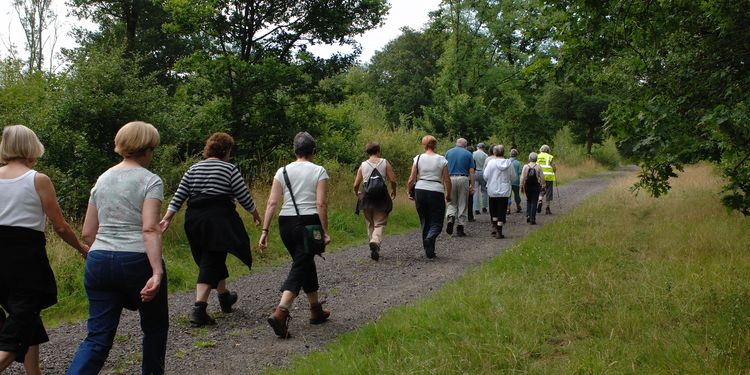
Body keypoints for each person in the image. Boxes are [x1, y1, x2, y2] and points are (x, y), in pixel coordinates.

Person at [67, 121, 168, 375]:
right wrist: (156, 272)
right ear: (146, 149)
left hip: (98, 258)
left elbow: (88, 231)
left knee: (97, 338)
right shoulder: (150, 181)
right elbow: (149, 228)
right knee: (154, 329)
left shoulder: (102, 179)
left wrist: (103, 256)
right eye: (152, 149)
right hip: (137, 261)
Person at [0, 125, 88, 375]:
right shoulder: (37, 179)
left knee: (26, 317)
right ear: (32, 146)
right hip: (25, 260)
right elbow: (59, 227)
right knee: (19, 324)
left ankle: (33, 372)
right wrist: (81, 248)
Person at [160, 132, 262, 327]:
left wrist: (167, 218)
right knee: (211, 259)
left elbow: (179, 196)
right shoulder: (229, 169)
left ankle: (224, 297)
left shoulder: (193, 169)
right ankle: (199, 309)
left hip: (195, 220)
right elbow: (243, 195)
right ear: (226, 150)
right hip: (219, 219)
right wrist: (255, 214)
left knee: (211, 256)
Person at [259, 132, 331, 339]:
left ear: (295, 150)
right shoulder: (319, 170)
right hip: (309, 223)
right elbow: (320, 204)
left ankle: (316, 309)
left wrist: (265, 230)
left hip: (285, 223)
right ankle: (281, 311)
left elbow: (272, 203)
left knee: (304, 261)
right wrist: (324, 231)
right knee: (301, 263)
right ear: (313, 150)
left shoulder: (282, 171)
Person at [406, 135, 451, 258]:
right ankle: (430, 238)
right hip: (436, 191)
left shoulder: (418, 158)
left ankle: (429, 250)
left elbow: (412, 178)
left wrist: (409, 190)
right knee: (437, 221)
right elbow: (447, 180)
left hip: (420, 190)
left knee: (425, 221)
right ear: (435, 145)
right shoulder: (442, 159)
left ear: (424, 145)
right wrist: (448, 194)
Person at [352, 142, 397, 261]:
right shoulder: (384, 162)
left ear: (367, 152)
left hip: (366, 197)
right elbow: (392, 180)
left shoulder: (363, 165)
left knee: (370, 223)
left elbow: (356, 184)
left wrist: (357, 193)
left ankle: (373, 245)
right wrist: (393, 190)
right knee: (379, 223)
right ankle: (375, 241)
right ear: (378, 151)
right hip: (381, 197)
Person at [483, 145, 517, 239]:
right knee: (502, 210)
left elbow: (485, 176)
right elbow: (513, 177)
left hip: (492, 189)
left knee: (493, 209)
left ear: (494, 153)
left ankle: (494, 226)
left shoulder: (491, 163)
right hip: (504, 190)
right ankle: (499, 230)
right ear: (503, 152)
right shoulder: (509, 163)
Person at [444, 138, 475, 237]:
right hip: (463, 178)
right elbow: (471, 171)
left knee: (451, 201)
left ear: (456, 144)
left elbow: (444, 168)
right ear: (465, 145)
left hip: (450, 178)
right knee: (462, 203)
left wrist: (444, 182)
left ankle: (451, 217)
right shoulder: (468, 154)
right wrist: (472, 185)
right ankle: (460, 228)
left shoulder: (448, 153)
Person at [520, 152, 545, 225]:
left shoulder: (525, 166)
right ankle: (532, 218)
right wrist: (543, 185)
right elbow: (542, 177)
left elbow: (522, 177)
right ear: (536, 159)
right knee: (534, 201)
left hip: (527, 186)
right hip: (536, 186)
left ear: (529, 158)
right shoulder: (538, 166)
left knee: (529, 200)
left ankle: (528, 215)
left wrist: (521, 186)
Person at [537, 144, 557, 214]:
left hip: (540, 177)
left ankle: (540, 200)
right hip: (549, 177)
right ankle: (547, 208)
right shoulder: (550, 157)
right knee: (548, 192)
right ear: (548, 150)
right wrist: (554, 171)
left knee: (541, 190)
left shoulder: (537, 156)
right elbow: (553, 166)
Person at [472, 143, 489, 215]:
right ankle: (484, 207)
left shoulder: (473, 154)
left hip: (475, 172)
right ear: (483, 148)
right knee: (484, 190)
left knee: (475, 191)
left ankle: (476, 209)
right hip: (483, 172)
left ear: (477, 147)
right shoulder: (485, 155)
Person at [507, 149, 523, 214]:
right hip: (516, 181)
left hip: (508, 181)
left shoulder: (506, 162)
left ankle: (508, 208)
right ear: (516, 155)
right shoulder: (518, 163)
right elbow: (520, 173)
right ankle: (518, 206)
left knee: (508, 195)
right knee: (516, 194)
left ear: (510, 154)